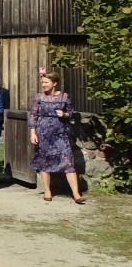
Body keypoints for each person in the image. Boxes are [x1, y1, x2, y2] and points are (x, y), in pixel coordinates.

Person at [29, 72, 84, 203]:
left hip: (60, 133)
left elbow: (70, 113)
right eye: (42, 82)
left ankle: (76, 194)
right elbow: (33, 115)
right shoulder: (39, 97)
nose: (43, 85)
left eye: (46, 82)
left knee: (68, 161)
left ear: (54, 83)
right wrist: (33, 132)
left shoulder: (64, 97)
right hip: (43, 132)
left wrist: (64, 114)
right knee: (44, 161)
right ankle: (48, 191)